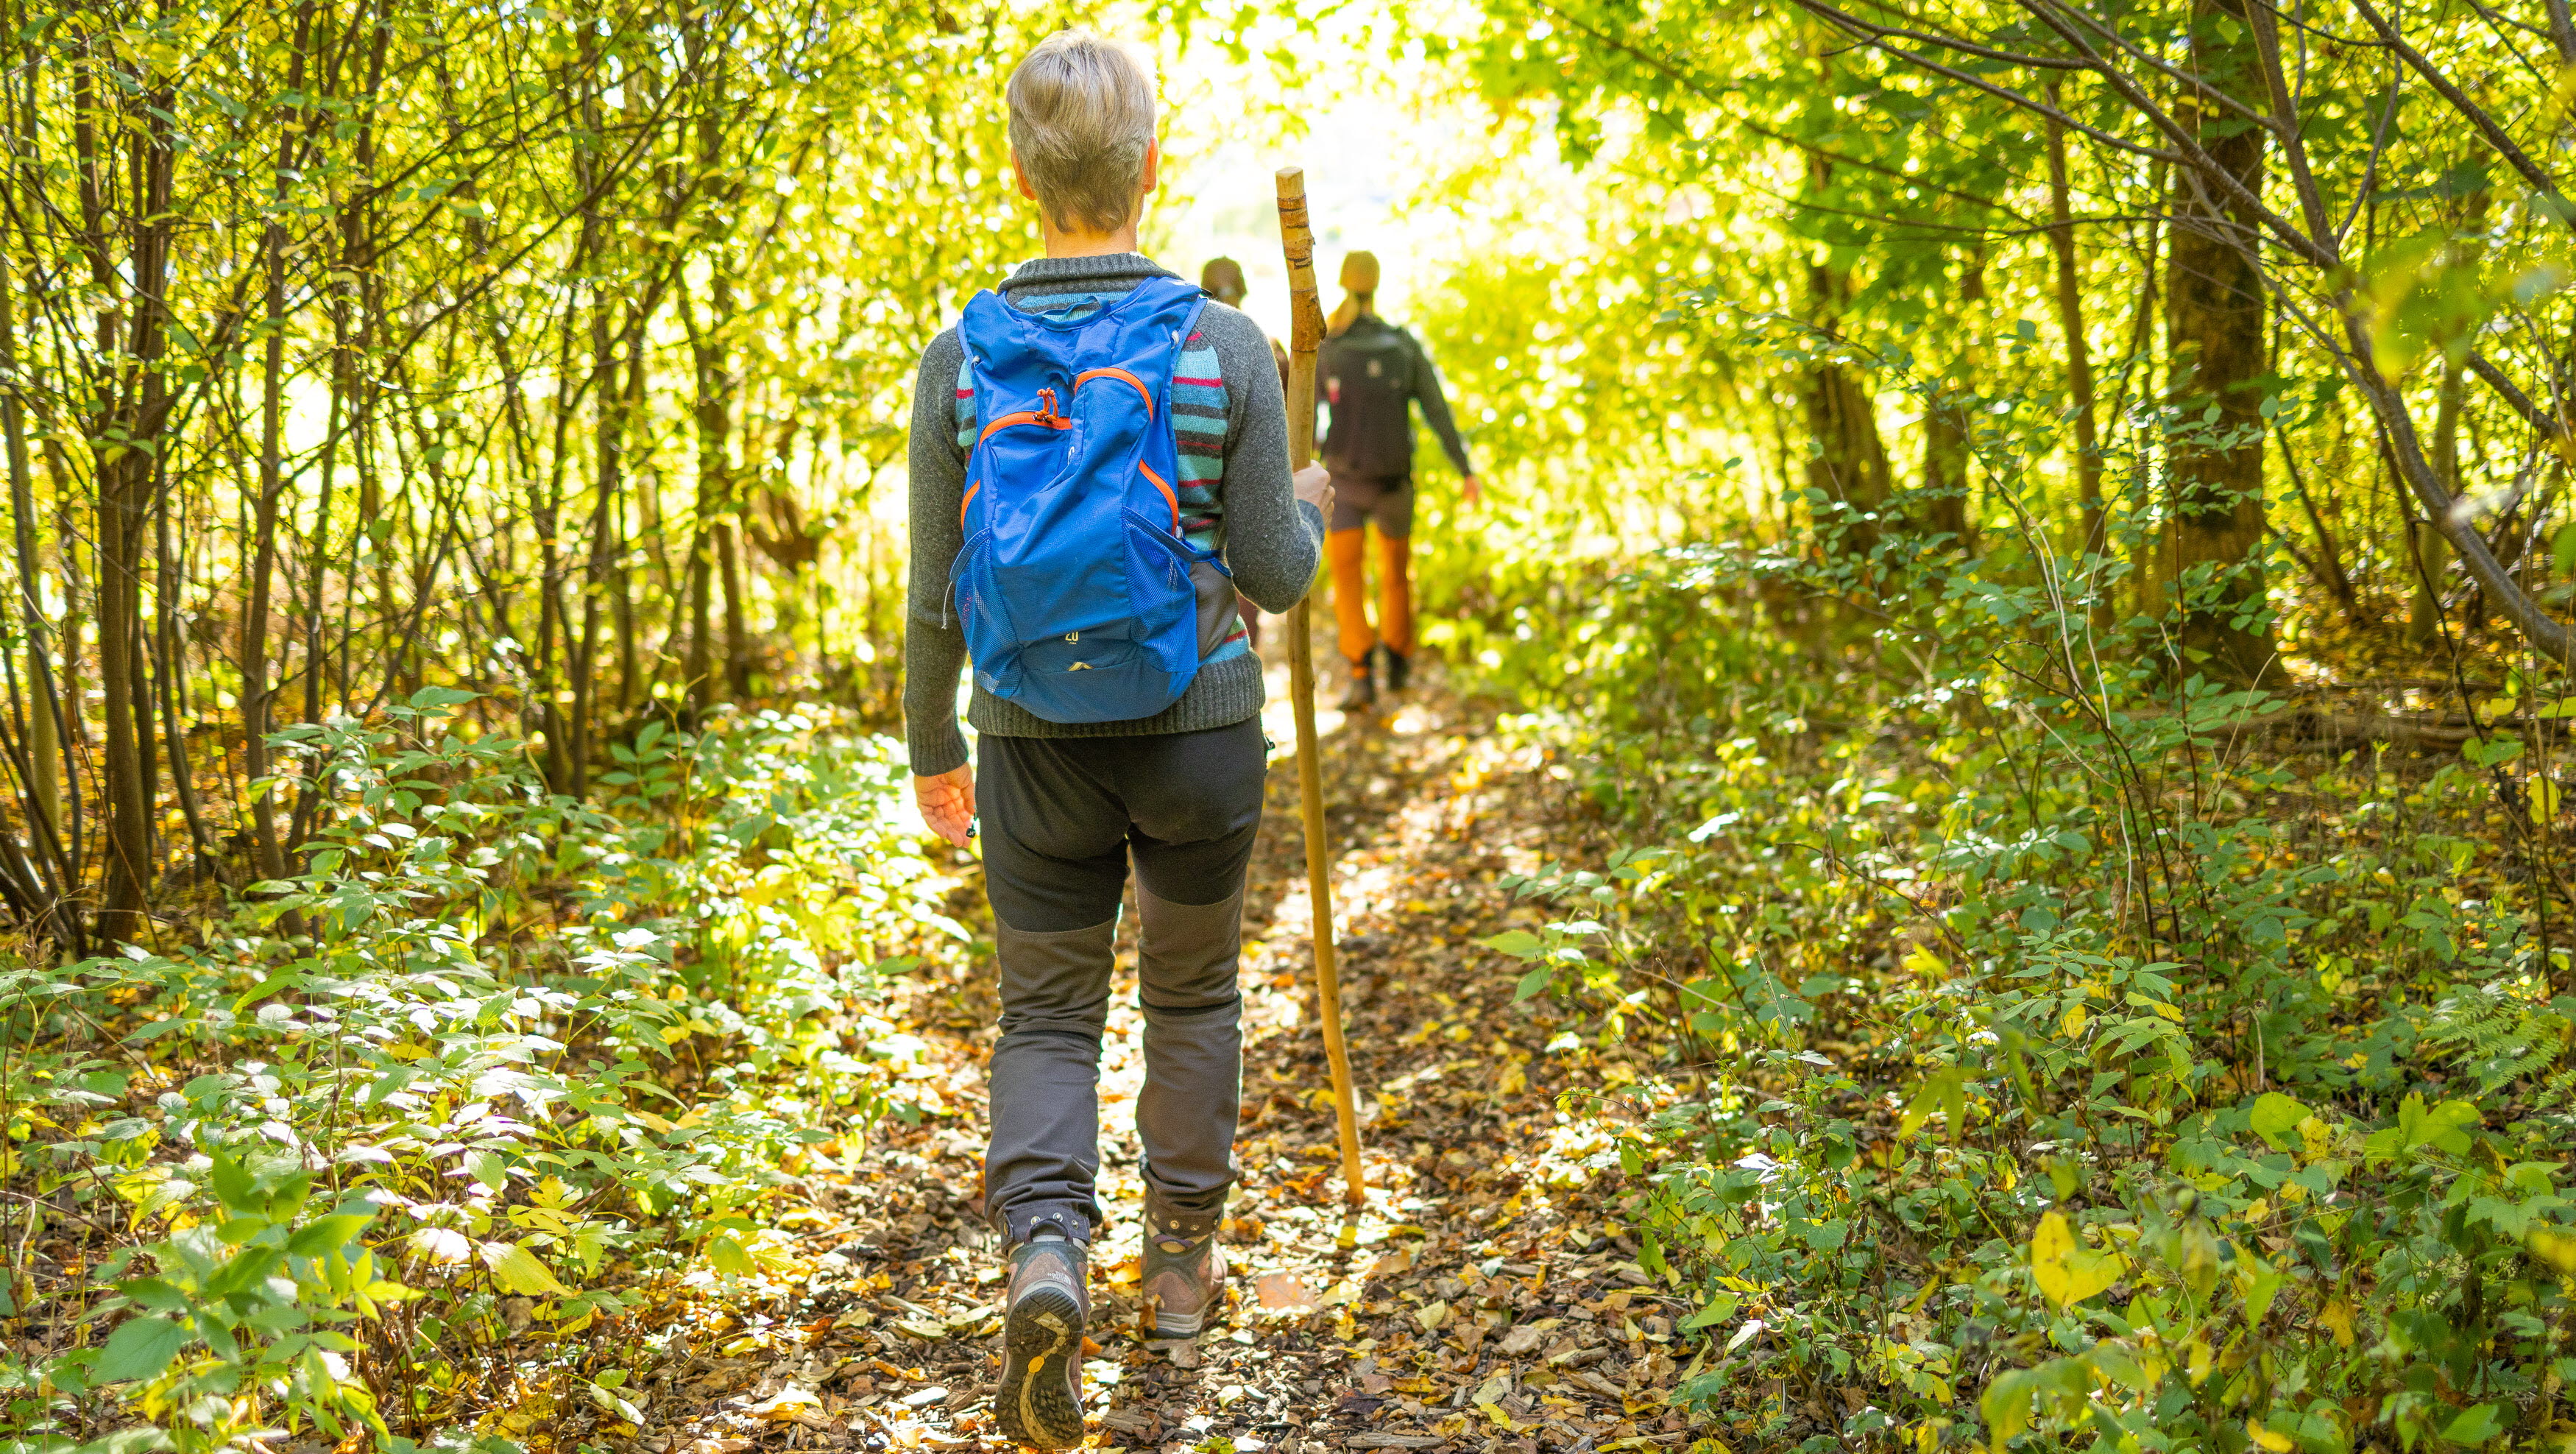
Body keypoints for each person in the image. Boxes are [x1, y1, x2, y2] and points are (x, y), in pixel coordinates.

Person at [903, 31, 1331, 1451]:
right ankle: (1184, 1271)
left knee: (1044, 1013)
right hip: (1200, 732)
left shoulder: (961, 360)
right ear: (1152, 166)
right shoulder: (1220, 347)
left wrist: (930, 748)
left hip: (1031, 740)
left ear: (1023, 175)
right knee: (1194, 998)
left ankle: (1044, 1259)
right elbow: (1273, 570)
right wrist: (1315, 501)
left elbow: (931, 587)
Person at [1317, 250, 1481, 710]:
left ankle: (1360, 673)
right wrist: (1465, 469)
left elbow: (1307, 421)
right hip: (1394, 484)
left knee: (1348, 579)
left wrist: (1299, 474)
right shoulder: (1403, 346)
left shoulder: (1329, 348)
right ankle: (1399, 662)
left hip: (1344, 485)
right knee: (1396, 577)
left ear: (1344, 283)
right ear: (1377, 284)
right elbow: (1437, 411)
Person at [1198, 256, 1290, 650]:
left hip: (1196, 500)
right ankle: (1245, 645)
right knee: (1252, 569)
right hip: (1259, 484)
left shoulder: (1182, 349)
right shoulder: (1268, 349)